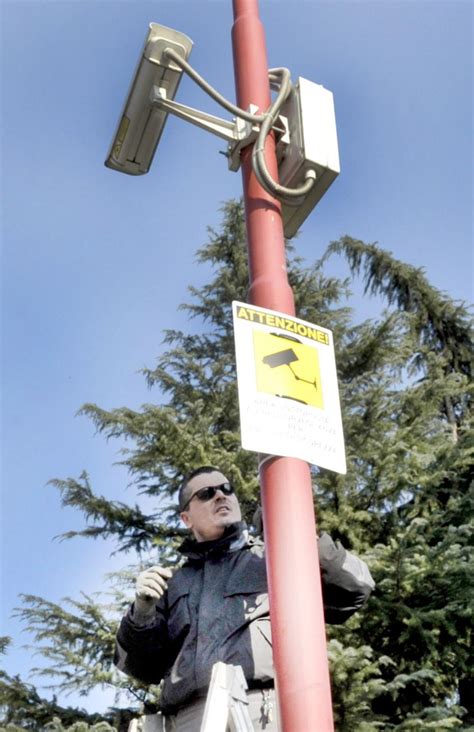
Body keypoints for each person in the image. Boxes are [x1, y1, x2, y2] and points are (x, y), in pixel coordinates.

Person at [115, 466, 375, 731]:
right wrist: (142, 610)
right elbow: (140, 668)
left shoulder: (272, 556)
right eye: (206, 493)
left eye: (227, 489)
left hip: (263, 713)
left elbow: (355, 587)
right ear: (186, 518)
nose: (220, 496)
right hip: (189, 720)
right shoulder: (173, 583)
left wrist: (293, 533)